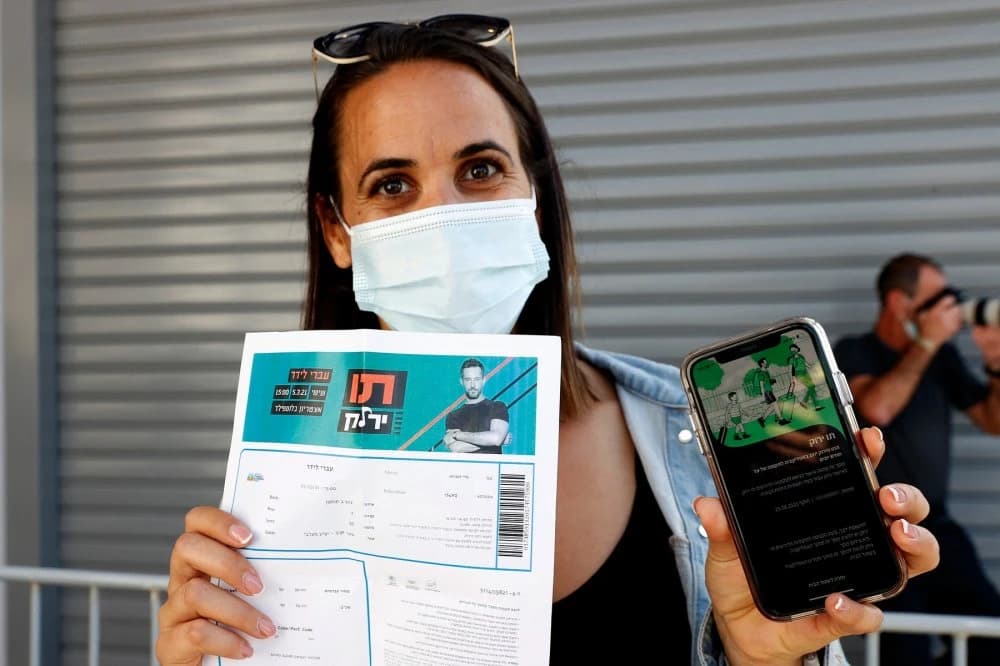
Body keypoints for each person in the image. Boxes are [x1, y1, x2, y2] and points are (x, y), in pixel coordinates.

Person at [156, 16, 940, 666]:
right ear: (336, 229)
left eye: (480, 169)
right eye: (392, 185)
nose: (444, 218)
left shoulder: (690, 441)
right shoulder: (280, 493)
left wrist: (762, 657)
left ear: (533, 198)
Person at [833, 252, 1000, 666]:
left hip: (935, 524)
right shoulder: (855, 351)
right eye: (936, 299)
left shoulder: (942, 358)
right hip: (878, 536)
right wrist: (927, 342)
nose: (947, 309)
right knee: (905, 651)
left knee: (991, 635)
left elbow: (992, 420)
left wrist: (995, 361)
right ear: (898, 303)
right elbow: (877, 409)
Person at [443, 357, 510, 453]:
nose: (472, 385)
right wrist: (491, 440)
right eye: (468, 380)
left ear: (483, 380)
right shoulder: (453, 416)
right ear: (461, 381)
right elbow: (456, 448)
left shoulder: (497, 407)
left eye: (477, 379)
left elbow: (496, 439)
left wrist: (458, 435)